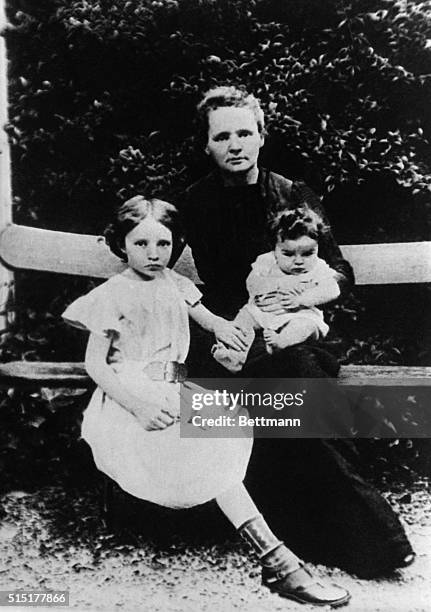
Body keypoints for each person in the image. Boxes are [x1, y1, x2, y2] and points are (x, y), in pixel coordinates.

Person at [62, 196, 351, 607]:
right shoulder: (113, 294)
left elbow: (217, 324)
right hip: (127, 401)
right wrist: (139, 406)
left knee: (226, 426)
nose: (154, 254)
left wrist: (244, 328)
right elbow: (97, 365)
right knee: (194, 443)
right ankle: (278, 561)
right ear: (121, 244)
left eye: (163, 244)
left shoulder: (174, 285)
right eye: (141, 243)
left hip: (173, 387)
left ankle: (276, 558)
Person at [178, 85, 415, 577]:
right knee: (219, 402)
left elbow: (339, 271)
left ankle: (377, 540)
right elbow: (148, 258)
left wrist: (300, 298)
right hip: (230, 336)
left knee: (300, 395)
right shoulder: (194, 202)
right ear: (206, 144)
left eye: (246, 132)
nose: (235, 144)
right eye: (223, 136)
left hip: (291, 333)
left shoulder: (291, 193)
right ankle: (302, 531)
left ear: (262, 137)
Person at [213, 206, 340, 372]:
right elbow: (252, 283)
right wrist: (278, 284)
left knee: (304, 326)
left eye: (308, 253)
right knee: (243, 318)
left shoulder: (318, 268)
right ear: (274, 248)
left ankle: (281, 342)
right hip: (262, 311)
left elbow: (333, 289)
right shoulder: (266, 262)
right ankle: (234, 353)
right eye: (288, 254)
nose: (299, 261)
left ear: (317, 248)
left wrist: (303, 300)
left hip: (300, 313)